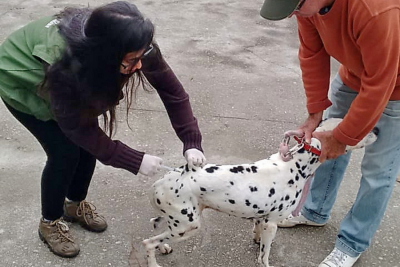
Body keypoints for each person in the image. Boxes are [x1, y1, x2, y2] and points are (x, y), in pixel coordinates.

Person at [0, 1, 206, 258]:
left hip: (72, 82)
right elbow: (78, 129)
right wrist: (134, 160)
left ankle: (74, 204)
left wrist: (191, 141)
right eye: (132, 60)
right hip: (22, 81)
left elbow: (172, 92)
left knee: (87, 151)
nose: (140, 65)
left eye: (141, 56)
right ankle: (50, 221)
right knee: (64, 152)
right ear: (105, 55)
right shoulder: (65, 69)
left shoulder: (133, 44)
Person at [259, 0, 400, 266]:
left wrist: (343, 138)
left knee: (378, 170)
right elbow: (312, 53)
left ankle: (352, 242)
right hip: (352, 77)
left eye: (296, 8)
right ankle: (314, 211)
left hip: (395, 88)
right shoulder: (306, 8)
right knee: (322, 143)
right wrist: (315, 114)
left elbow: (380, 83)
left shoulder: (375, 9)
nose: (293, 15)